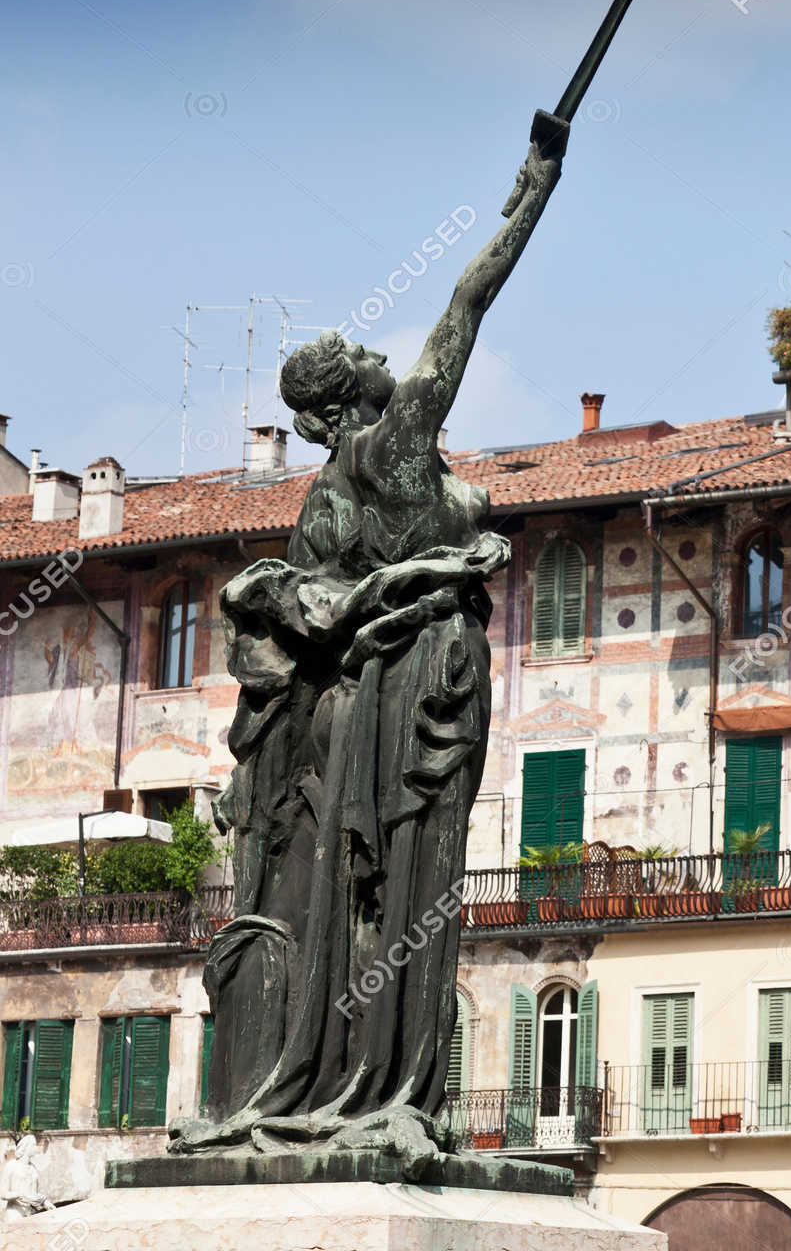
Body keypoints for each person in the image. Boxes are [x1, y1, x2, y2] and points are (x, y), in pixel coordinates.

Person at [171, 114, 568, 1165]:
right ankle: (390, 1089)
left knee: (382, 890)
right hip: (424, 680)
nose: (381, 359)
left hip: (369, 702)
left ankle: (367, 1081)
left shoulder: (324, 500)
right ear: (348, 399)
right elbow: (466, 304)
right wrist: (532, 194)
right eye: (360, 357)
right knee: (416, 882)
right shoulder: (397, 449)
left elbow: (311, 622)